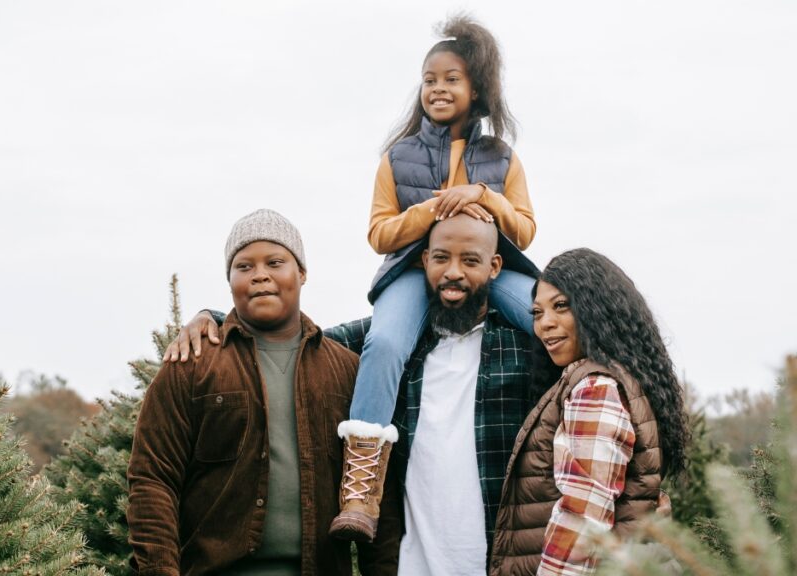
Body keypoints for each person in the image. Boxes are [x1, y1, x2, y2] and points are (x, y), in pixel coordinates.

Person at [166, 214, 538, 575]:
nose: (453, 272)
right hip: (411, 565)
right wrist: (212, 317)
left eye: (470, 261)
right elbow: (296, 338)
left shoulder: (524, 351)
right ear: (425, 261)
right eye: (441, 258)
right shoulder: (389, 346)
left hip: (498, 559)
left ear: (494, 267)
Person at [333, 14, 538, 541]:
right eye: (430, 80)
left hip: (487, 272)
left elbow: (526, 230)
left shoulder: (502, 158)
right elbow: (380, 234)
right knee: (384, 343)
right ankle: (360, 491)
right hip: (411, 269)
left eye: (451, 79)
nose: (438, 88)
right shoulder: (396, 157)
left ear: (477, 88)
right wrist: (430, 212)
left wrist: (483, 196)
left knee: (550, 316)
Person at [127, 209, 400, 576]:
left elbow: (380, 494)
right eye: (244, 267)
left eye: (275, 262)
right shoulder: (192, 364)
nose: (260, 275)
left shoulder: (346, 371)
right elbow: (153, 479)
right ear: (230, 281)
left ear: (301, 273)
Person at [489, 248, 690, 575]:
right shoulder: (623, 377)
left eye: (561, 306)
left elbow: (582, 521)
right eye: (537, 313)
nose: (545, 324)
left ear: (596, 309)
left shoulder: (594, 389)